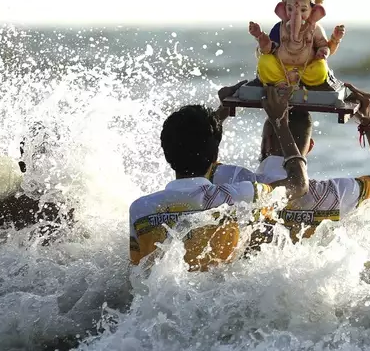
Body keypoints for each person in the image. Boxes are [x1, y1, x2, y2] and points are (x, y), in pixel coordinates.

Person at [128, 86, 309, 271]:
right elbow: (298, 184)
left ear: (166, 154)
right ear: (215, 156)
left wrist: (221, 113)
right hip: (221, 295)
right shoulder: (241, 197)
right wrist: (280, 123)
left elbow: (138, 275)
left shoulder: (141, 209)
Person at [210, 81, 370, 243]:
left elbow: (193, 161)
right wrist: (369, 123)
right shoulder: (332, 195)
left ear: (266, 141)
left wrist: (222, 113)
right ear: (310, 147)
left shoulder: (235, 183)